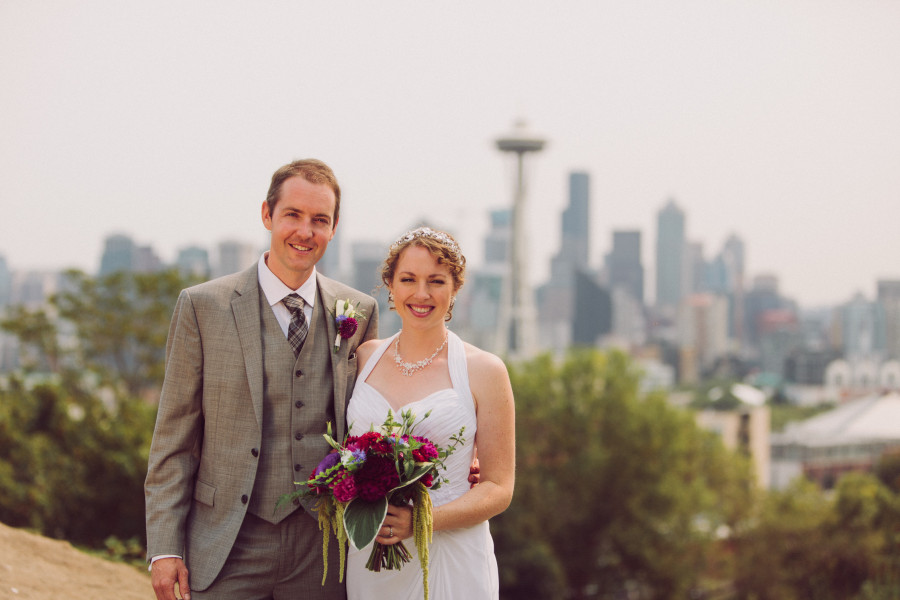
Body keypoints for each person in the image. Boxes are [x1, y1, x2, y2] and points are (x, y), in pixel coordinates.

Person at [144, 159, 378, 600]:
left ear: (334, 228)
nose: (305, 231)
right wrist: (164, 547)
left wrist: (454, 459)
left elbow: (374, 416)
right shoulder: (202, 306)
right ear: (268, 215)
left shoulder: (359, 310)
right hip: (227, 542)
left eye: (319, 220)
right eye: (292, 214)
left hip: (324, 547)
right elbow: (173, 438)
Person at [345, 227, 515, 600]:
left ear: (455, 288)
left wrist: (421, 521)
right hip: (369, 557)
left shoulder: (485, 370)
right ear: (390, 284)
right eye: (408, 279)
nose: (421, 294)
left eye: (436, 281)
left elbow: (499, 488)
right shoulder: (363, 358)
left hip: (451, 557)